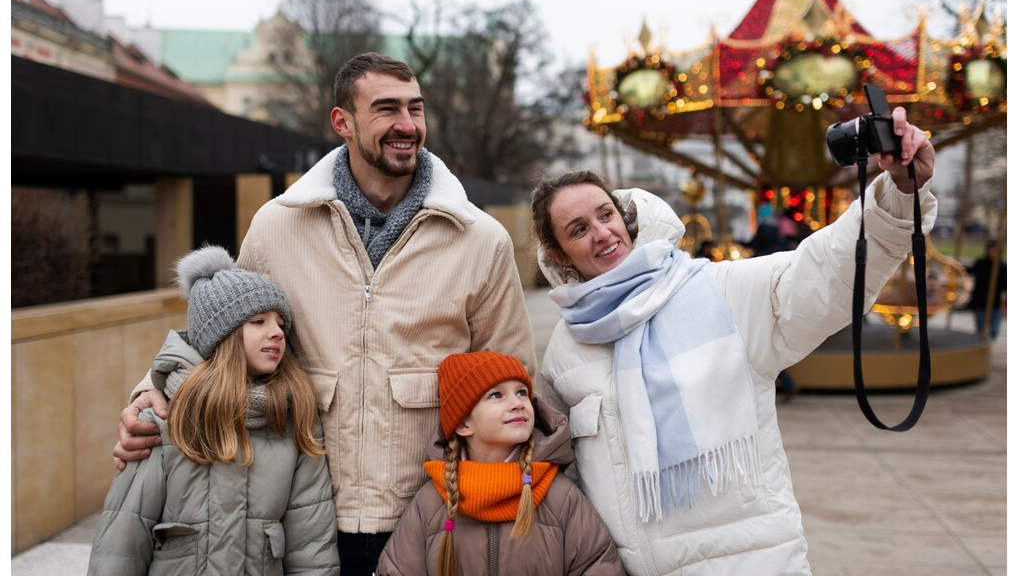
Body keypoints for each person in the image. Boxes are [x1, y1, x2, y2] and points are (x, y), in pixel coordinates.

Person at [113, 53, 535, 574]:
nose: (407, 126)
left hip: (431, 514)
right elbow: (219, 334)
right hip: (300, 514)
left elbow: (514, 374)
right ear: (342, 122)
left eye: (416, 109)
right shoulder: (278, 224)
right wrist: (150, 389)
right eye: (386, 109)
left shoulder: (481, 238)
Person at [530, 108, 936, 574]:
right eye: (579, 229)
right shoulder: (566, 346)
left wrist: (900, 194)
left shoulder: (719, 290)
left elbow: (824, 269)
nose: (602, 234)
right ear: (559, 254)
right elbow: (568, 477)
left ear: (626, 218)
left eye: (606, 215)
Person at [88, 246, 339, 575]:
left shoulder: (294, 418)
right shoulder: (163, 421)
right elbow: (121, 543)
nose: (277, 332)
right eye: (258, 321)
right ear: (224, 335)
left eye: (280, 323)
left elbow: (311, 543)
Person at [376, 351, 624, 576]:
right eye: (496, 395)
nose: (517, 402)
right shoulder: (431, 503)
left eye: (522, 392)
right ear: (463, 424)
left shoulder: (558, 496)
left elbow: (598, 564)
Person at [968, 240, 1007, 339]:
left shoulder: (1002, 267)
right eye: (991, 250)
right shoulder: (981, 263)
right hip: (980, 301)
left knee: (994, 331)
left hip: (995, 303)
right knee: (980, 330)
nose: (992, 253)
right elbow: (970, 271)